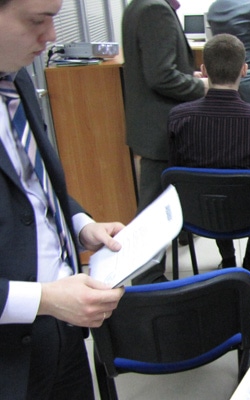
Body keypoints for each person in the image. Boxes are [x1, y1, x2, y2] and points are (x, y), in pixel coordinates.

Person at [0, 1, 126, 398]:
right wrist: (43, 299)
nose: (52, 36)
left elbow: (32, 189)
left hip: (63, 331)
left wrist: (80, 224)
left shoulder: (15, 78)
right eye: (37, 21)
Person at [168, 34, 250, 272]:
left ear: (203, 70)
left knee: (211, 180)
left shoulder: (178, 117)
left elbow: (176, 171)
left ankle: (228, 258)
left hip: (199, 213)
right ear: (244, 70)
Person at [122, 0, 207, 284]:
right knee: (152, 210)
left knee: (161, 199)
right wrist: (200, 86)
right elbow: (161, 76)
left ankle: (175, 240)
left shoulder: (139, 5)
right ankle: (145, 278)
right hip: (159, 129)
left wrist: (187, 75)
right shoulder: (154, 9)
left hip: (152, 125)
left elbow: (158, 65)